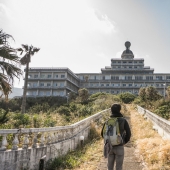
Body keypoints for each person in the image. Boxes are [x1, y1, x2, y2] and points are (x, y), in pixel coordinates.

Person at [101, 103, 131, 170]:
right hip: (119, 146)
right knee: (119, 167)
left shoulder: (107, 121)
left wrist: (110, 140)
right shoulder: (123, 121)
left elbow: (102, 134)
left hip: (109, 147)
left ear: (111, 110)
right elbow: (128, 134)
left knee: (109, 167)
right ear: (119, 110)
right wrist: (123, 142)